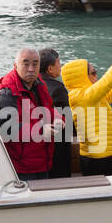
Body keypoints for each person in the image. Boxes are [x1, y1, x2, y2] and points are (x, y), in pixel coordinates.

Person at [61, 42, 112, 176]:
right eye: (93, 73)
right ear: (82, 77)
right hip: (99, 158)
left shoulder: (88, 96)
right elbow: (107, 81)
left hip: (105, 155)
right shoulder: (81, 96)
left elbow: (109, 95)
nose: (96, 76)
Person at [0, 47, 54, 180]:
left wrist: (59, 119)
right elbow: (8, 129)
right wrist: (40, 130)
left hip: (41, 160)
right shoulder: (6, 93)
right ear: (16, 66)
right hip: (21, 166)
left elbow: (48, 109)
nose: (31, 69)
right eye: (26, 64)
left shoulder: (38, 84)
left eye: (35, 63)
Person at [39, 47, 74, 178]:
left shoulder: (34, 85)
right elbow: (67, 123)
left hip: (40, 143)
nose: (61, 66)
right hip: (58, 145)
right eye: (59, 63)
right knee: (60, 175)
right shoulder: (57, 89)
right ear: (50, 69)